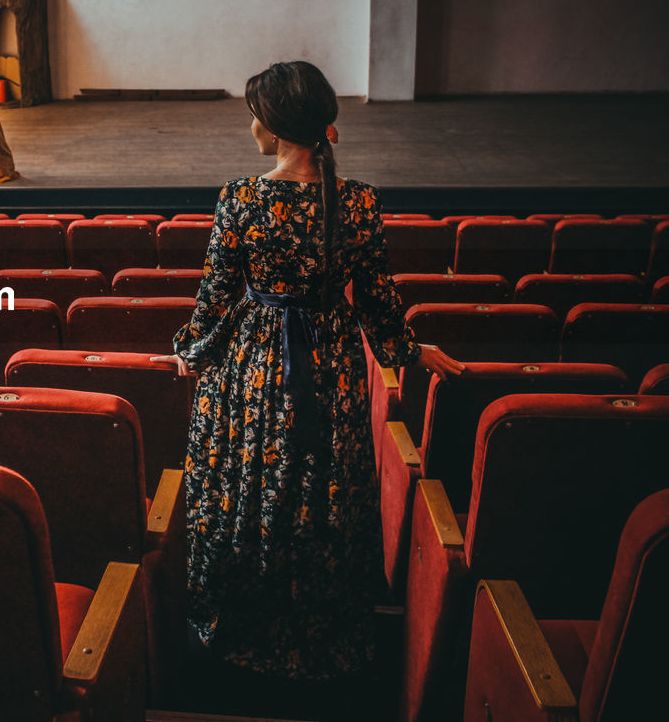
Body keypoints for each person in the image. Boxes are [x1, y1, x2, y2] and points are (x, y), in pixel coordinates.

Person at [152, 60, 463, 681]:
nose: (250, 125)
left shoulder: (241, 200)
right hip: (332, 367)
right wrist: (412, 351)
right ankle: (316, 628)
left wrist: (190, 351)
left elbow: (214, 300)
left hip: (257, 367)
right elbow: (378, 307)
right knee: (322, 487)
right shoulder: (358, 202)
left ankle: (243, 621)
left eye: (254, 115)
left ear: (272, 126)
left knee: (251, 479)